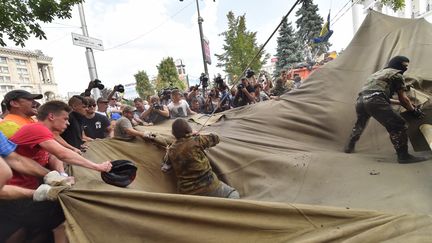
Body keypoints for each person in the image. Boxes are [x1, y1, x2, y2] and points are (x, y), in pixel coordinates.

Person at [344, 56, 427, 164]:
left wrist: (403, 103)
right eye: (405, 65)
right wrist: (413, 110)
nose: (406, 68)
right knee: (398, 124)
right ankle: (403, 156)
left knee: (360, 124)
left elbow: (378, 94)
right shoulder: (397, 75)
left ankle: (349, 147)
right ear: (398, 64)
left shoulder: (377, 74)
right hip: (375, 100)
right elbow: (403, 99)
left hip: (361, 100)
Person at [167, 118, 239, 198]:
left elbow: (165, 168)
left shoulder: (171, 150)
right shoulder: (196, 140)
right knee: (233, 195)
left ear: (174, 133)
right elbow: (215, 138)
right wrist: (195, 135)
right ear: (188, 129)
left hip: (187, 192)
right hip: (209, 186)